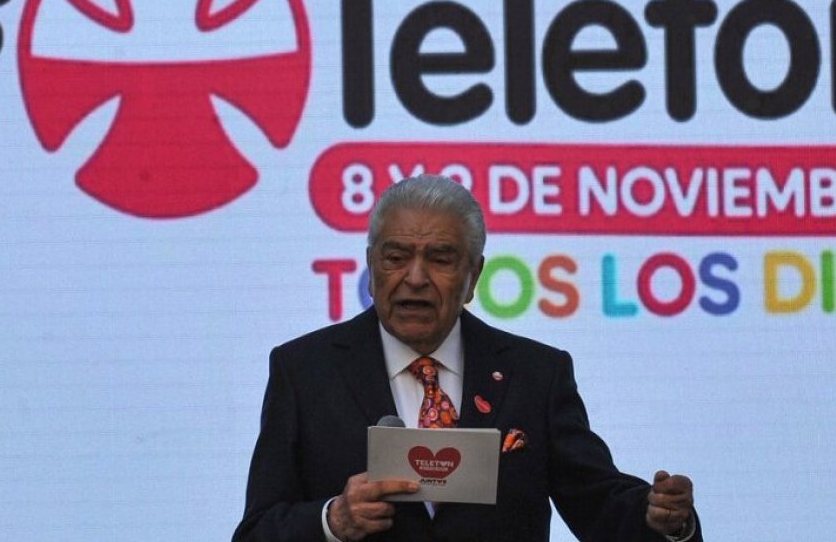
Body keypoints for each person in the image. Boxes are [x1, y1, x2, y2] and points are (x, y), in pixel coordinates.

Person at [233, 174, 701, 542]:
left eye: (440, 258)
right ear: (371, 267)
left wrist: (661, 517)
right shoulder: (304, 371)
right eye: (396, 257)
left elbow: (598, 504)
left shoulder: (536, 374)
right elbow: (256, 531)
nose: (415, 278)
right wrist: (332, 520)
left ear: (474, 275)